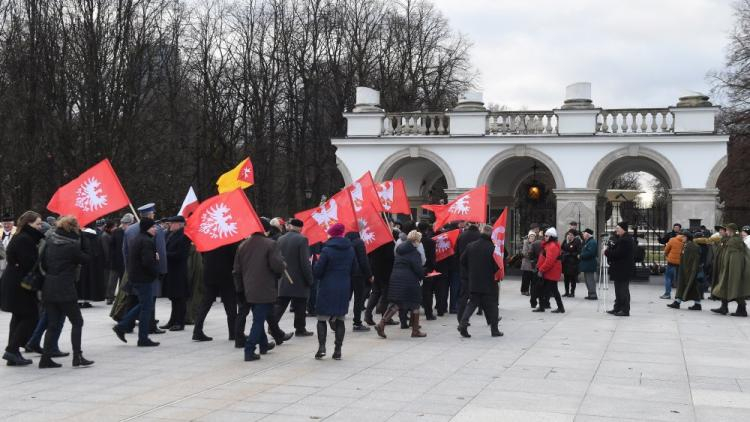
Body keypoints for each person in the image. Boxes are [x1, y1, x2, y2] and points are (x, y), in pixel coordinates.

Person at [39, 216, 94, 368]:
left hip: (49, 286)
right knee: (77, 321)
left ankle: (45, 359)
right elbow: (87, 259)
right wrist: (84, 239)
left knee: (52, 324)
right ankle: (77, 356)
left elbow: (43, 262)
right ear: (74, 228)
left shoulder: (50, 243)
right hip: (65, 288)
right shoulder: (72, 247)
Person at [234, 219, 286, 361]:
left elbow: (237, 270)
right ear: (267, 230)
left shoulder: (243, 245)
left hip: (247, 289)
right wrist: (282, 266)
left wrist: (240, 290)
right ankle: (249, 350)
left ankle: (263, 345)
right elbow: (277, 266)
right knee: (258, 320)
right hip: (264, 289)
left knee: (260, 317)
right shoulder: (270, 244)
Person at [1, 211, 44, 366]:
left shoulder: (21, 236)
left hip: (15, 282)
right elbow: (29, 264)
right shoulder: (25, 239)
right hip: (20, 284)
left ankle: (13, 352)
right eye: (38, 223)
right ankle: (12, 350)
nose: (40, 227)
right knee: (30, 316)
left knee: (19, 316)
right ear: (29, 224)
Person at [112, 218, 161, 347]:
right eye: (153, 227)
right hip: (143, 278)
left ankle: (122, 326)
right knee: (146, 307)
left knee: (144, 304)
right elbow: (147, 262)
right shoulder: (146, 241)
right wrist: (156, 263)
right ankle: (142, 338)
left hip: (136, 277)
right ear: (147, 228)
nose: (155, 229)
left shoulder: (138, 238)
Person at [313, 223, 358, 360]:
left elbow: (318, 272)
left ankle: (322, 347)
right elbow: (355, 269)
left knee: (322, 318)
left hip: (327, 286)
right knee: (340, 319)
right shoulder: (350, 249)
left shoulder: (327, 250)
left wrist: (315, 264)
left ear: (331, 234)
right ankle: (338, 350)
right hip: (343, 287)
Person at [375, 230, 425, 339]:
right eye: (419, 241)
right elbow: (418, 270)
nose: (419, 243)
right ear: (416, 240)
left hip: (396, 279)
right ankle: (415, 331)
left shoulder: (400, 250)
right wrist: (424, 274)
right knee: (415, 303)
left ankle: (381, 324)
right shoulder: (414, 253)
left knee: (396, 303)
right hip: (410, 281)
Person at [269, 218, 314, 339]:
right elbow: (305, 262)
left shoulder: (281, 238)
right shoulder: (302, 239)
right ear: (300, 228)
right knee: (300, 304)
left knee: (281, 304)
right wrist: (310, 279)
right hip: (299, 279)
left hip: (284, 276)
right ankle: (300, 328)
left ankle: (272, 326)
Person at [457, 225, 502, 338]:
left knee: (472, 303)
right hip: (489, 282)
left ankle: (463, 323)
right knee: (492, 305)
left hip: (474, 280)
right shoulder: (493, 248)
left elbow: (462, 260)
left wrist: (471, 270)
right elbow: (497, 266)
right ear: (491, 235)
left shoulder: (471, 246)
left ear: (482, 232)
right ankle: (494, 330)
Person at [193, 242, 240, 342]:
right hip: (225, 275)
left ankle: (197, 330)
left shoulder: (209, 238)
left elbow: (202, 253)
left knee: (205, 304)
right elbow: (235, 256)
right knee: (230, 305)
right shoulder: (229, 239)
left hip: (209, 273)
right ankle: (233, 332)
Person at [710, 223, 750, 316]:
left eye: (727, 230)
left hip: (733, 270)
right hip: (728, 269)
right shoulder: (732, 240)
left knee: (735, 289)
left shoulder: (734, 241)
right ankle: (724, 307)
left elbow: (735, 259)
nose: (725, 231)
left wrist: (732, 272)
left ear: (731, 230)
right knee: (725, 288)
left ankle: (741, 310)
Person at [160, 216, 191, 331]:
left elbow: (181, 255)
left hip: (179, 272)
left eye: (172, 223)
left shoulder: (184, 236)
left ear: (179, 224)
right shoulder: (170, 234)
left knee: (180, 298)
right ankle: (172, 320)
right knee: (174, 298)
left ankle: (180, 322)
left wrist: (164, 255)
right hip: (171, 271)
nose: (170, 225)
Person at [605, 221, 635, 317]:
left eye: (617, 228)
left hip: (623, 269)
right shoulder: (622, 238)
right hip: (619, 269)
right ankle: (617, 308)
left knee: (623, 291)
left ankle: (625, 310)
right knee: (618, 290)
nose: (616, 230)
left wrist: (606, 252)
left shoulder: (625, 240)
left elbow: (617, 254)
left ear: (623, 229)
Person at [345, 228, 373, 332]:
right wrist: (369, 275)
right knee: (358, 299)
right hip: (358, 274)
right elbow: (363, 260)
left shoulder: (346, 241)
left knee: (346, 296)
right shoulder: (359, 242)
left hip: (347, 273)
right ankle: (357, 323)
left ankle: (336, 318)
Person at [668, 230, 702, 311]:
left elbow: (695, 260)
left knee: (690, 286)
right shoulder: (686, 245)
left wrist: (693, 271)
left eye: (683, 236)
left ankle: (695, 304)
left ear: (687, 237)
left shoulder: (693, 246)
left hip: (689, 270)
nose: (682, 238)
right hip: (684, 269)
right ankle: (678, 302)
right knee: (685, 286)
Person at [364, 238, 396, 325]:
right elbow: (390, 257)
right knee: (385, 294)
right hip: (385, 271)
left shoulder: (373, 240)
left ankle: (368, 314)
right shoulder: (388, 241)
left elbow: (369, 254)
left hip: (374, 269)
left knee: (375, 292)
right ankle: (385, 317)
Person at [455, 222, 481, 323]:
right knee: (481, 295)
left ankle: (460, 317)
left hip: (464, 269)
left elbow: (457, 253)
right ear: (477, 225)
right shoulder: (480, 236)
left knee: (464, 295)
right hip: (477, 271)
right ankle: (491, 319)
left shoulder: (461, 236)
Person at [535, 227, 564, 313]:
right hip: (550, 271)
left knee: (551, 290)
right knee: (547, 289)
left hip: (551, 272)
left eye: (547, 236)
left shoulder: (552, 246)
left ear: (551, 236)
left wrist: (541, 270)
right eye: (545, 235)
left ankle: (558, 307)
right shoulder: (550, 245)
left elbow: (549, 261)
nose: (545, 237)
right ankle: (543, 306)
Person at [106, 214, 133, 305]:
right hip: (122, 259)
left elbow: (111, 245)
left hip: (117, 259)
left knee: (114, 280)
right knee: (120, 280)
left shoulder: (116, 232)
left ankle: (111, 298)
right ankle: (121, 297)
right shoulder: (128, 231)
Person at [417, 222, 437, 321]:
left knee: (415, 291)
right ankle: (428, 314)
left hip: (415, 268)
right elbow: (433, 258)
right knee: (427, 292)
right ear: (427, 230)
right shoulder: (431, 242)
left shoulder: (415, 240)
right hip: (428, 269)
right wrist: (433, 268)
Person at [662, 230, 686, 299]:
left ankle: (667, 294)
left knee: (668, 277)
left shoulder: (673, 240)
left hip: (671, 261)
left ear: (678, 234)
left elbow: (666, 250)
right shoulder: (685, 242)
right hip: (681, 262)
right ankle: (679, 295)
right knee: (679, 278)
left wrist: (667, 256)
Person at [561, 230, 582, 298]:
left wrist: (570, 254)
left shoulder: (577, 241)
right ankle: (566, 292)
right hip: (566, 262)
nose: (569, 236)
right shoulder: (565, 240)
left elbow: (579, 251)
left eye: (571, 235)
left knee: (573, 279)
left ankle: (572, 292)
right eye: (568, 234)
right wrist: (564, 253)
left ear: (574, 236)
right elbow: (561, 248)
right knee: (566, 278)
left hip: (573, 263)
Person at [579, 228, 598, 300]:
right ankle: (590, 293)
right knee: (587, 280)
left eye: (584, 233)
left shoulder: (592, 242)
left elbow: (591, 253)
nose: (583, 234)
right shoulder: (588, 241)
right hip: (587, 264)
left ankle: (593, 295)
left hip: (589, 264)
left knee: (590, 280)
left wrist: (581, 255)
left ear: (587, 234)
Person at [520, 231, 537, 296]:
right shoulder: (526, 243)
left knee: (532, 279)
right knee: (525, 278)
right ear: (529, 237)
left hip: (533, 264)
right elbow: (524, 253)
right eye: (531, 236)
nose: (532, 238)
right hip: (526, 263)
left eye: (533, 236)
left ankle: (531, 291)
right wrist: (531, 256)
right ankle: (524, 290)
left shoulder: (535, 243)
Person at [0, 213, 15, 280]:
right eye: (4, 224)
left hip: (12, 263)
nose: (6, 225)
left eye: (8, 223)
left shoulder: (17, 232)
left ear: (12, 223)